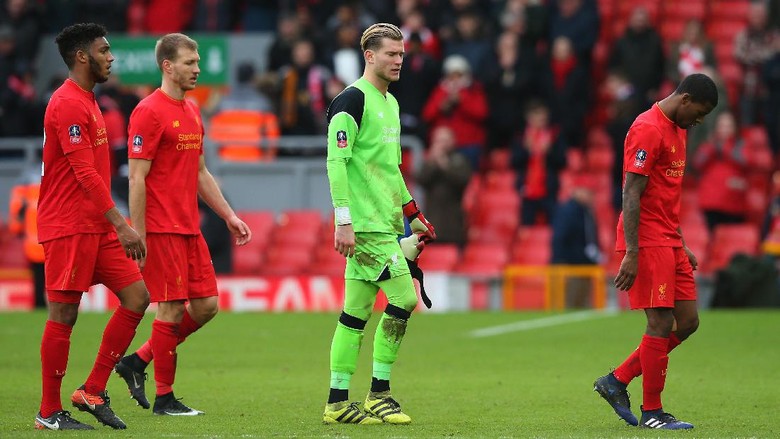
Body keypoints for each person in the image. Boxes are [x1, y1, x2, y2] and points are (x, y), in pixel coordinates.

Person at [114, 33, 252, 416]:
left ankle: (137, 361)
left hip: (190, 227)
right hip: (161, 228)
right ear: (167, 66)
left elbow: (201, 172)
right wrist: (138, 233)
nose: (198, 69)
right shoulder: (148, 111)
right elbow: (136, 178)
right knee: (171, 309)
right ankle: (165, 398)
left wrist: (229, 215)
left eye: (198, 62)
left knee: (207, 306)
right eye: (190, 62)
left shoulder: (192, 111)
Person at [34, 23, 150, 431]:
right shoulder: (67, 103)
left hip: (94, 226)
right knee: (64, 314)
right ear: (82, 56)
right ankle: (48, 412)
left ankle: (93, 389)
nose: (111, 57)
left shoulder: (88, 100)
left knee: (137, 297)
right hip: (69, 224)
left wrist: (112, 225)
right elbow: (84, 173)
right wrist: (122, 224)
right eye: (104, 50)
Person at [323, 22, 436, 425]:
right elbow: (336, 163)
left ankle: (337, 402)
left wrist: (413, 214)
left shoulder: (391, 103)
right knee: (404, 299)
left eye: (402, 55)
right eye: (391, 54)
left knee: (355, 313)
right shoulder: (351, 100)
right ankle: (379, 394)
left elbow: (390, 170)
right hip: (364, 225)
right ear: (369, 56)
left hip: (385, 222)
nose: (398, 60)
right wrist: (343, 222)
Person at [593, 73, 718, 430]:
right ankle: (653, 412)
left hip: (668, 238)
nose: (700, 120)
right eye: (700, 112)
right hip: (646, 239)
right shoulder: (647, 128)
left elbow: (663, 193)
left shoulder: (679, 129)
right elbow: (631, 193)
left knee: (688, 322)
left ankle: (617, 380)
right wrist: (631, 252)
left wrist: (681, 242)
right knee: (660, 322)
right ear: (685, 99)